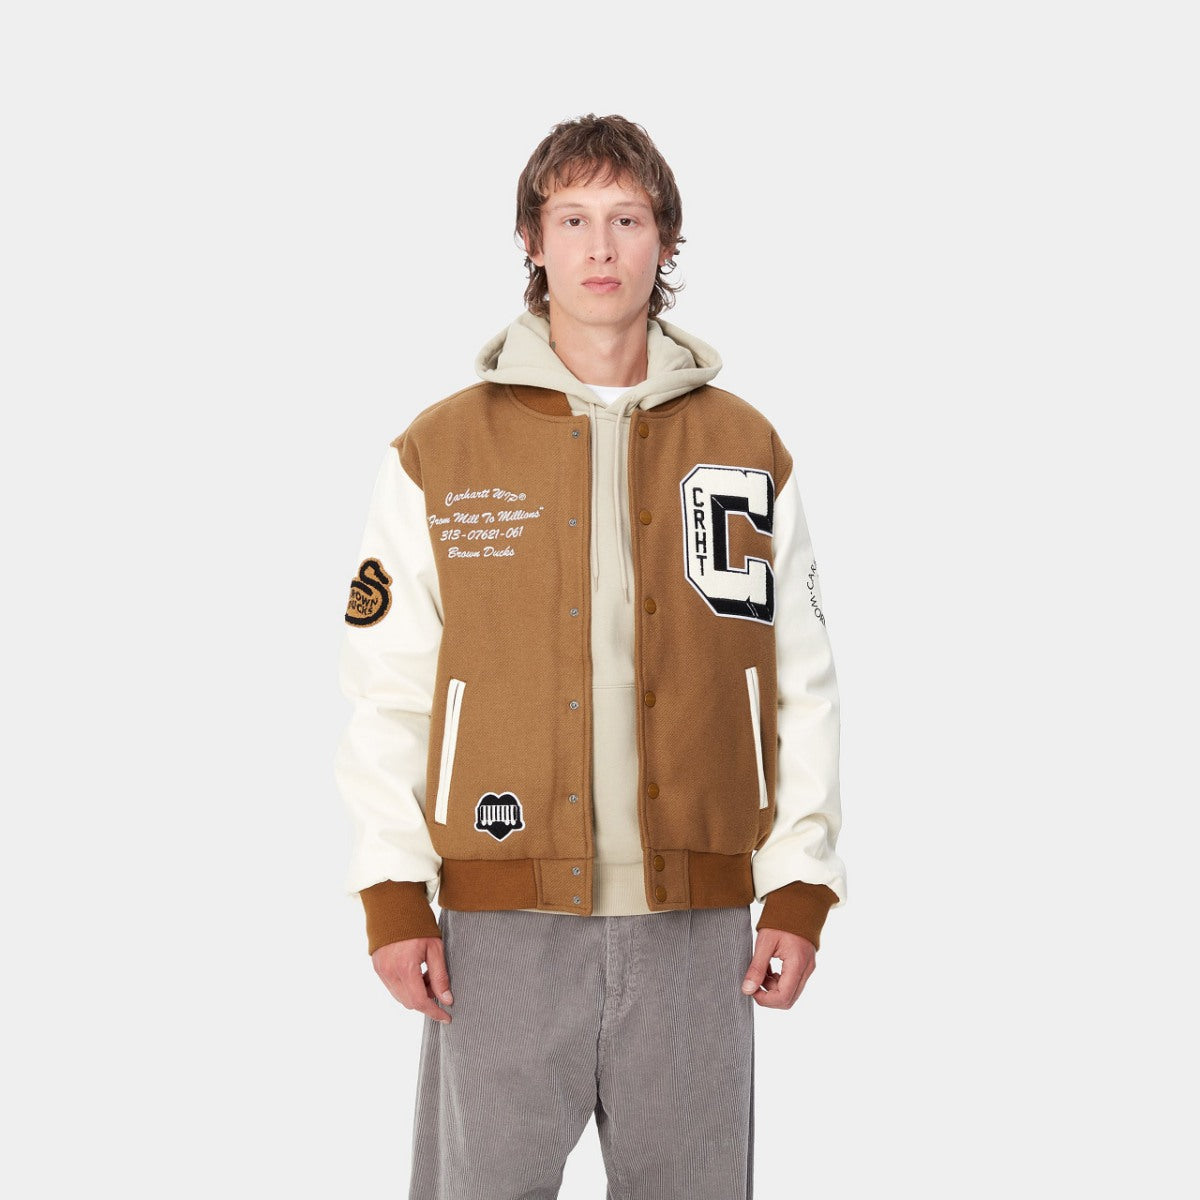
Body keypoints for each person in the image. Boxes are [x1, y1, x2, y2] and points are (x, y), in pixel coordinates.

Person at [336, 112, 847, 1200]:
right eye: (572, 220)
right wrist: (392, 889)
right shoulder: (440, 449)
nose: (600, 247)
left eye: (627, 218)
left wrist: (800, 884)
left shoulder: (744, 448)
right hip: (498, 922)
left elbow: (799, 682)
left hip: (697, 926)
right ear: (532, 240)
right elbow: (389, 693)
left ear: (667, 239)